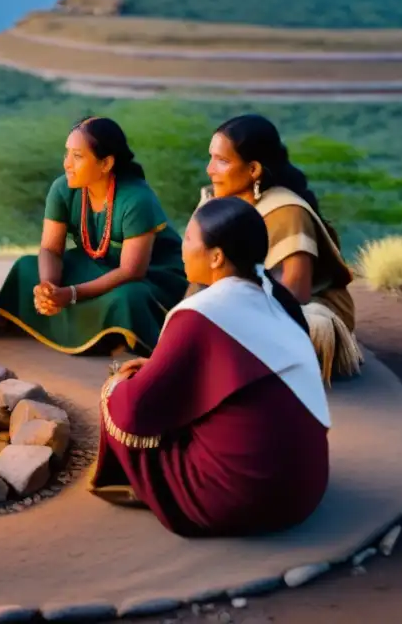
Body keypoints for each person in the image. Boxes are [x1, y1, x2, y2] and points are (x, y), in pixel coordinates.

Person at [89, 197, 331, 538]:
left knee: (118, 393)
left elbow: (135, 413)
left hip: (240, 499)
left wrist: (122, 381)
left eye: (188, 238)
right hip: (304, 489)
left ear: (216, 257)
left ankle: (144, 486)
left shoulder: (200, 316)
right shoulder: (276, 297)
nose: (182, 248)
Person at [0, 116, 187, 355]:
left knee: (128, 298)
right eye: (67, 154)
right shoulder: (62, 188)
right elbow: (51, 249)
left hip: (150, 277)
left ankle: (114, 335)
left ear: (105, 163)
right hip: (95, 264)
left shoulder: (137, 199)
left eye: (77, 156)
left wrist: (71, 294)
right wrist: (49, 288)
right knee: (25, 268)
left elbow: (131, 271)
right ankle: (92, 328)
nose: (67, 164)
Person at [202, 114, 361, 382]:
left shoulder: (287, 211)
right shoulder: (215, 202)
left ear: (253, 169)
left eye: (222, 161)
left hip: (299, 308)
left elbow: (294, 294)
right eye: (211, 157)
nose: (210, 169)